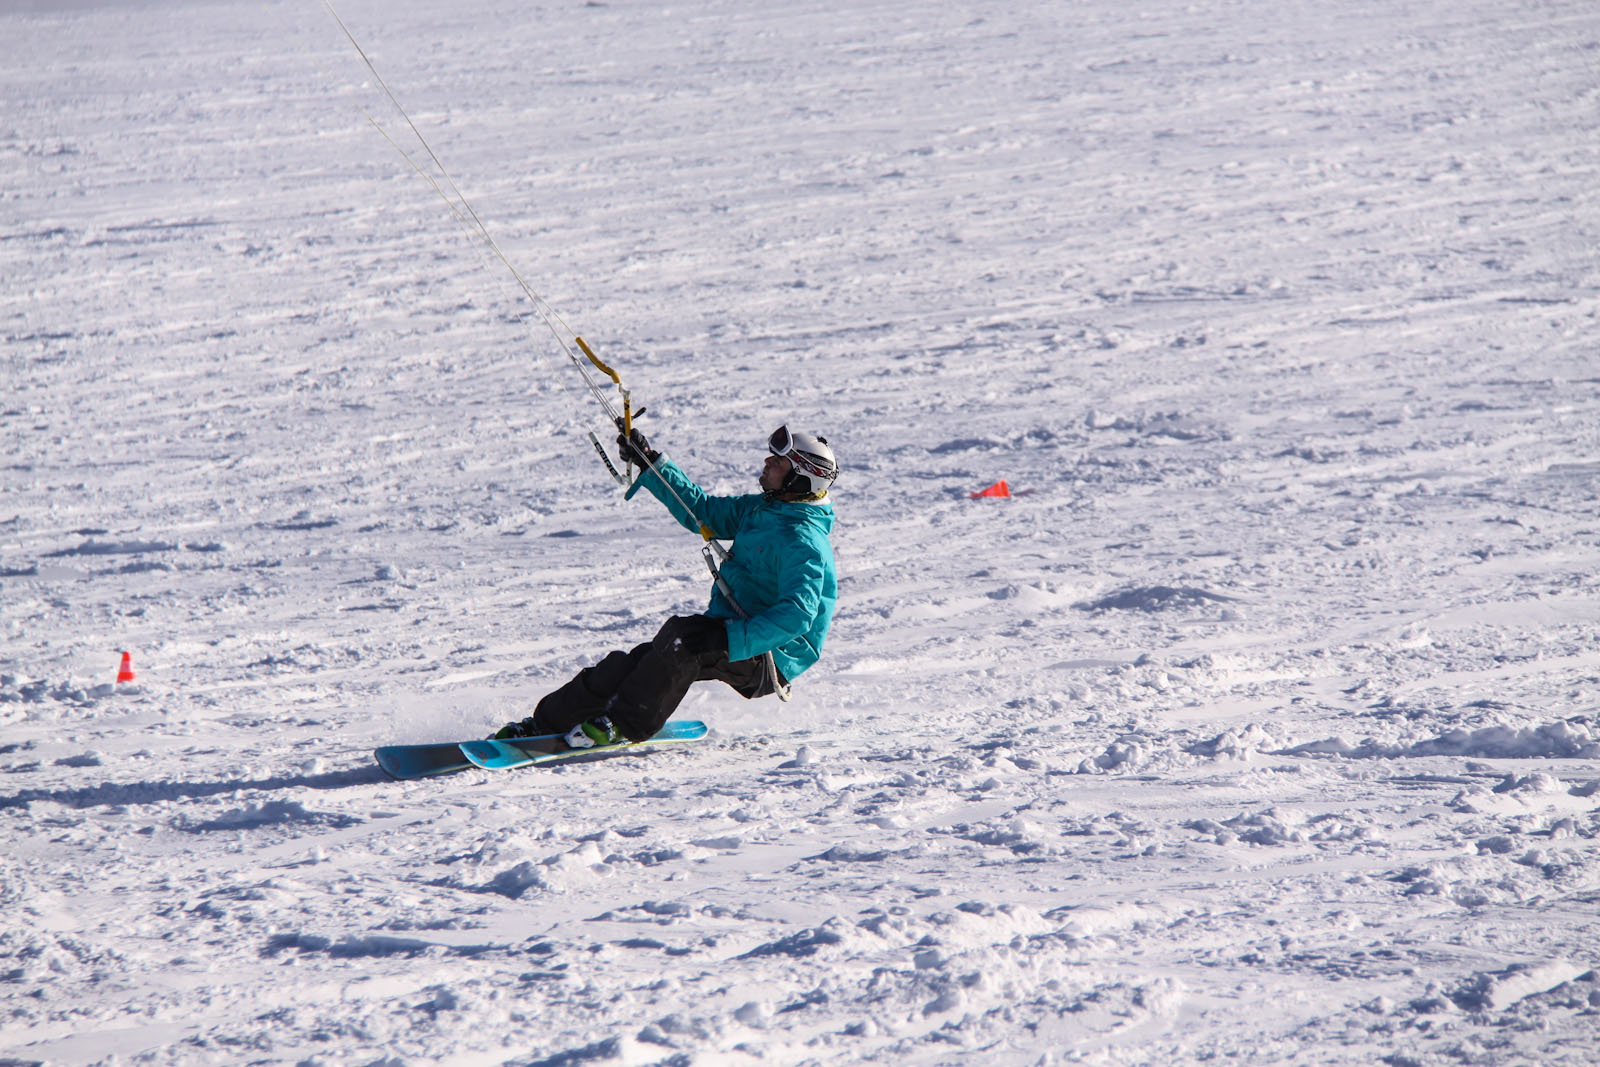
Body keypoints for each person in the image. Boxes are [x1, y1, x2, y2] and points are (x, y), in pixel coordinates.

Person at [495, 424, 839, 749]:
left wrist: (728, 638)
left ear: (800, 478)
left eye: (779, 461)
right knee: (631, 664)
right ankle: (544, 725)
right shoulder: (764, 510)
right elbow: (701, 511)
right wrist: (650, 462)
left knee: (682, 641)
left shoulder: (803, 542)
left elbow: (797, 615)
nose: (767, 462)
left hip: (772, 655)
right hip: (730, 629)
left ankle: (624, 724)